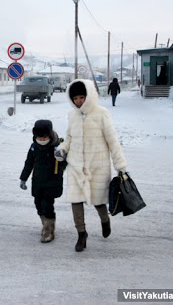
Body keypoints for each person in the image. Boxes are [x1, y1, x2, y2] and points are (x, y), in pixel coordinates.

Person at [55, 79, 127, 252]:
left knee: (98, 202)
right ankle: (81, 234)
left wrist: (120, 165)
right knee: (75, 200)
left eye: (81, 97)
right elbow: (69, 137)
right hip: (75, 165)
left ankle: (105, 220)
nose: (78, 101)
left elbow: (113, 141)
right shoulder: (72, 115)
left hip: (97, 166)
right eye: (75, 98)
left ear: (89, 96)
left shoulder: (101, 113)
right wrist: (62, 149)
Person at [20, 119, 66, 243]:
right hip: (38, 182)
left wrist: (62, 159)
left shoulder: (58, 146)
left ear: (50, 136)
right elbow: (29, 163)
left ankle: (48, 230)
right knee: (38, 205)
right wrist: (23, 178)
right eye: (39, 138)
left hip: (52, 182)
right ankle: (45, 224)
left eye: (44, 138)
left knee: (47, 205)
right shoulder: (34, 147)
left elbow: (65, 165)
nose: (41, 140)